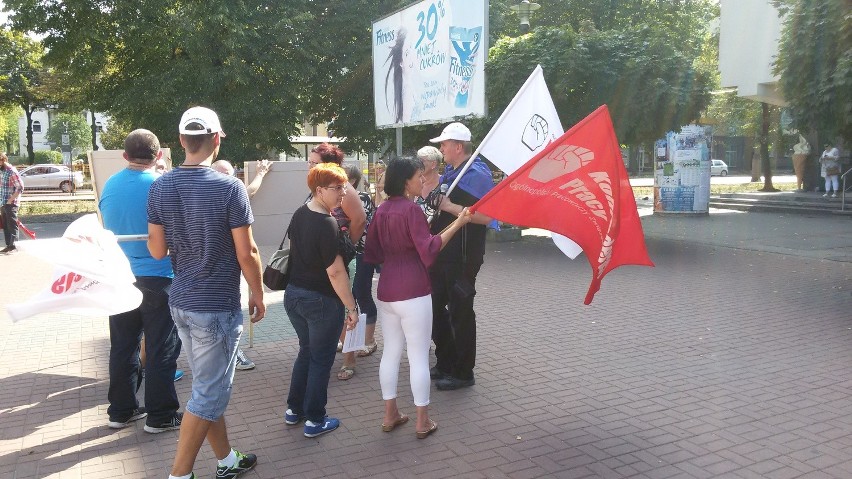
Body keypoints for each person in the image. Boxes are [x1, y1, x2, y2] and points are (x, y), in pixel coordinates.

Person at [148, 106, 266, 479]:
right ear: (216, 140)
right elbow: (246, 252)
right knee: (209, 393)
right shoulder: (230, 187)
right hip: (215, 305)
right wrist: (258, 294)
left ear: (181, 141)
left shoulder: (160, 186)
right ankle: (179, 474)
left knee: (206, 387)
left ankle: (227, 460)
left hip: (181, 301)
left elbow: (156, 251)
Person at [364, 157, 471, 439]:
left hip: (387, 290)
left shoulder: (381, 210)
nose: (421, 180)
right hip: (414, 291)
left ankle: (390, 414)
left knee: (390, 352)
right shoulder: (411, 211)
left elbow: (372, 253)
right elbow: (430, 249)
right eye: (417, 176)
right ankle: (422, 421)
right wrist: (459, 223)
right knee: (419, 356)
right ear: (405, 181)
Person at [100, 129, 183, 433]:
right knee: (161, 347)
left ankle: (121, 411)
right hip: (159, 275)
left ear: (125, 156)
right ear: (159, 155)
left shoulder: (110, 184)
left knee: (122, 345)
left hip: (119, 275)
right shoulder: (162, 185)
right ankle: (160, 415)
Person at [283, 162, 359, 438]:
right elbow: (336, 271)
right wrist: (352, 307)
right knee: (320, 359)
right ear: (319, 190)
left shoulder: (300, 213)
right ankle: (315, 419)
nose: (342, 193)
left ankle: (294, 410)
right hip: (320, 301)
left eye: (344, 187)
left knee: (306, 351)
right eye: (336, 188)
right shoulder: (327, 223)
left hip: (294, 296)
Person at [428, 122, 494, 391]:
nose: (441, 148)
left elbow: (488, 217)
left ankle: (463, 371)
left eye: (444, 144)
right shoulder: (453, 172)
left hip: (464, 256)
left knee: (460, 311)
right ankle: (446, 360)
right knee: (433, 307)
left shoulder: (477, 174)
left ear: (458, 147)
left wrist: (450, 206)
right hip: (444, 253)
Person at [307, 143, 366, 380]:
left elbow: (359, 219)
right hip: (324, 258)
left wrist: (346, 247)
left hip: (339, 258)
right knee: (332, 305)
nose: (309, 166)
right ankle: (342, 346)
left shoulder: (344, 189)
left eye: (314, 162)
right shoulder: (317, 185)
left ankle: (350, 359)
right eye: (309, 162)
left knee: (345, 304)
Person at [209, 159, 268, 371]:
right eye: (222, 173)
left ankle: (230, 353)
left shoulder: (234, 191)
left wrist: (260, 174)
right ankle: (229, 355)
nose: (227, 178)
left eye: (230, 174)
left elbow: (249, 190)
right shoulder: (206, 193)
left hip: (228, 273)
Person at [341, 165, 378, 361]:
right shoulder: (341, 197)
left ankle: (369, 340)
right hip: (348, 254)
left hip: (362, 253)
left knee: (361, 294)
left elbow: (355, 222)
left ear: (352, 181)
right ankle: (349, 340)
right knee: (347, 296)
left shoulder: (360, 197)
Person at [0, 152, 24, 254]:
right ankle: (8, 246)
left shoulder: (11, 171)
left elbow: (20, 187)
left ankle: (14, 246)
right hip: (3, 202)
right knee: (5, 225)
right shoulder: (2, 171)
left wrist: (10, 200)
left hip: (11, 202)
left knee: (12, 224)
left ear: (3, 160)